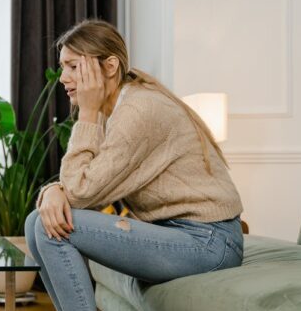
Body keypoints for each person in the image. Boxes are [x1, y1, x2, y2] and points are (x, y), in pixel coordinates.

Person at [24, 19, 244, 311]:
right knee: (35, 222)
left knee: (50, 229)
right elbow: (87, 183)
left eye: (74, 66)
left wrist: (86, 113)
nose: (63, 77)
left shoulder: (138, 109)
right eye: (63, 66)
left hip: (209, 242)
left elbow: (79, 193)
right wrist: (53, 190)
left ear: (110, 66)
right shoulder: (114, 105)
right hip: (180, 232)